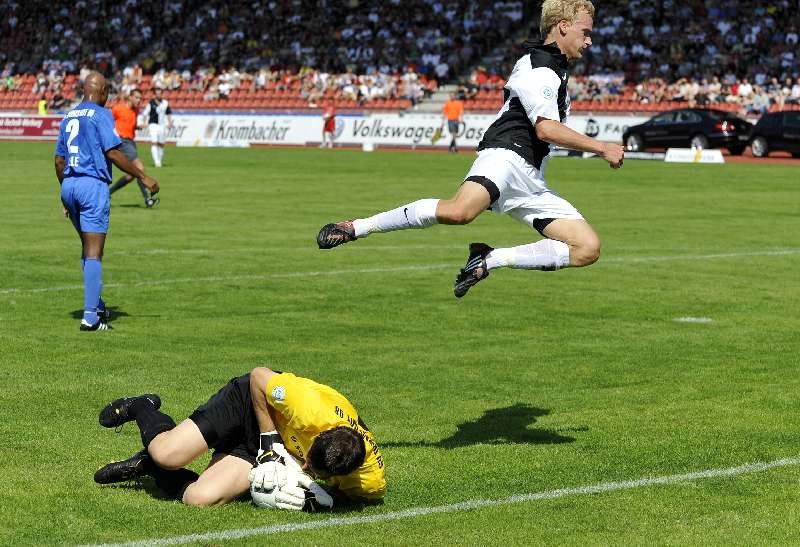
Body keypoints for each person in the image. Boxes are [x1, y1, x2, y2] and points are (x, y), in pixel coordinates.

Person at [317, 0, 624, 298]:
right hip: (506, 157)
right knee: (459, 212)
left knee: (586, 248)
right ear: (563, 26)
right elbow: (547, 129)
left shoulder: (554, 67)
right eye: (585, 32)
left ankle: (489, 258)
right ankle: (357, 227)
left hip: (531, 178)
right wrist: (601, 148)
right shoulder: (540, 67)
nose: (589, 41)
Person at [93, 367, 386, 508]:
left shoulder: (369, 480)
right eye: (307, 461)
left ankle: (149, 465)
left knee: (200, 498)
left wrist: (318, 499)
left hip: (261, 446)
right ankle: (141, 406)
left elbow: (351, 500)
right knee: (168, 454)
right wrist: (270, 441)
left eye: (315, 472)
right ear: (319, 436)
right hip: (249, 403)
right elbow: (259, 376)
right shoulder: (306, 407)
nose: (306, 468)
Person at [55, 72, 159, 331]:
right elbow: (113, 152)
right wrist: (143, 176)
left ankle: (97, 304)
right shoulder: (101, 114)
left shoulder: (69, 116)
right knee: (94, 251)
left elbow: (58, 161)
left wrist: (66, 193)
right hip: (92, 186)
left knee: (86, 246)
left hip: (69, 185)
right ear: (102, 91)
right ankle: (91, 318)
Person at [108, 89, 159, 208]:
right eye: (137, 97)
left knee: (131, 175)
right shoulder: (118, 108)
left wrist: (137, 127)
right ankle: (148, 199)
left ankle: (108, 193)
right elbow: (107, 121)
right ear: (130, 97)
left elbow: (130, 124)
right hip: (122, 141)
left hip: (130, 142)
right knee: (139, 168)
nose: (139, 100)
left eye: (140, 98)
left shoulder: (136, 110)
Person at [141, 87, 173, 167]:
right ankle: (156, 162)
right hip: (153, 125)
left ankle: (159, 160)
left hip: (162, 125)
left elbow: (168, 113)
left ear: (162, 94)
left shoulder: (165, 103)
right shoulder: (151, 103)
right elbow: (145, 113)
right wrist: (144, 122)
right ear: (155, 95)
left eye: (160, 93)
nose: (159, 95)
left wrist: (169, 122)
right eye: (157, 93)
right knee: (154, 142)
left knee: (161, 144)